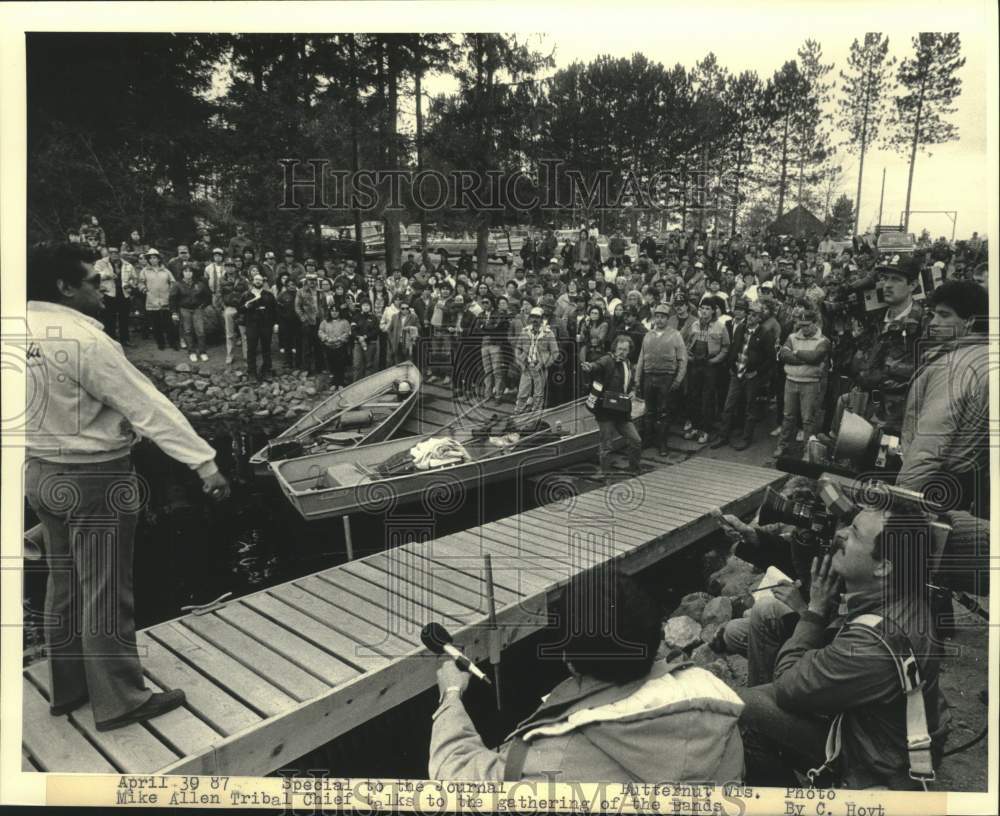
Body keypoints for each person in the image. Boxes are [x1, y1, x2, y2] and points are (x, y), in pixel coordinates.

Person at [25, 243, 230, 731]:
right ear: (65, 288)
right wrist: (204, 463)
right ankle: (120, 699)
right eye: (93, 282)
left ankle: (70, 688)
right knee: (105, 590)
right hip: (95, 475)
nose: (103, 289)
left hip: (41, 472)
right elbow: (147, 406)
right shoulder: (84, 341)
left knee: (64, 587)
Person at [429, 567, 744, 781]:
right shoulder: (713, 696)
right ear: (656, 635)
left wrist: (451, 697)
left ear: (569, 660)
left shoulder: (552, 754)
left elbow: (455, 775)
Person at [728, 510, 949, 790]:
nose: (840, 533)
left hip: (871, 760)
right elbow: (817, 559)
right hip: (872, 725)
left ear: (883, 567)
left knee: (742, 708)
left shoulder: (870, 645)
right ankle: (770, 734)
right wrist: (758, 540)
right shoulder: (900, 590)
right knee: (768, 614)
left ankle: (792, 798)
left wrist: (816, 611)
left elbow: (785, 685)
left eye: (854, 532)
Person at [899, 279, 990, 518]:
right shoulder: (983, 356)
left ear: (969, 321)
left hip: (940, 484)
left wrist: (899, 499)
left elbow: (930, 444)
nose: (934, 322)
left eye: (944, 315)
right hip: (968, 484)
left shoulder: (956, 365)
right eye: (933, 314)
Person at [712, 300, 775, 451]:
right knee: (728, 406)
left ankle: (746, 438)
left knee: (750, 408)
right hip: (736, 373)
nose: (750, 318)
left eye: (754, 315)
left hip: (751, 376)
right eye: (749, 314)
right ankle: (723, 436)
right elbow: (735, 348)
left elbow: (771, 359)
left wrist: (757, 372)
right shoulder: (740, 328)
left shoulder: (765, 334)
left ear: (760, 318)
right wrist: (731, 366)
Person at [774, 300, 830, 459]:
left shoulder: (823, 340)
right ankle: (782, 446)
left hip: (810, 384)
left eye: (807, 325)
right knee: (788, 416)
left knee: (808, 420)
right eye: (802, 325)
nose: (803, 328)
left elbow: (815, 357)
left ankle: (808, 451)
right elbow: (784, 355)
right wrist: (804, 358)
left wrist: (796, 352)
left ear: (815, 323)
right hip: (791, 381)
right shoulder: (792, 336)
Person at [583, 335, 643, 477]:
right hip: (605, 411)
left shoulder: (628, 364)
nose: (622, 352)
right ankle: (605, 474)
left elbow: (631, 383)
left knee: (636, 440)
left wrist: (633, 391)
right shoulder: (608, 360)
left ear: (629, 351)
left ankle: (634, 469)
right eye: (620, 349)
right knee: (607, 446)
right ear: (615, 348)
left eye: (625, 350)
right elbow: (597, 365)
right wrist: (589, 367)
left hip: (622, 412)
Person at [635, 304, 687, 456]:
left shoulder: (675, 335)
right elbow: (641, 359)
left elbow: (683, 359)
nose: (659, 320)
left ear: (668, 319)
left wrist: (678, 379)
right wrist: (637, 379)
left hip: (666, 378)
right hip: (649, 377)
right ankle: (648, 440)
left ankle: (662, 443)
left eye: (663, 317)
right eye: (657, 317)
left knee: (663, 411)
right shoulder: (648, 335)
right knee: (649, 410)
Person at [684, 299, 730, 445]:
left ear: (713, 311)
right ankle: (695, 427)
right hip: (695, 365)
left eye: (707, 308)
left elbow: (725, 347)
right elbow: (687, 343)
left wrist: (715, 360)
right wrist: (689, 356)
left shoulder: (720, 327)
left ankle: (706, 430)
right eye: (702, 308)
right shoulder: (695, 325)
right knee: (693, 396)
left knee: (707, 398)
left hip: (709, 366)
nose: (704, 311)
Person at [513, 306, 557, 414]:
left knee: (539, 393)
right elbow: (518, 348)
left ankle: (536, 413)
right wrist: (520, 362)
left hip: (540, 366)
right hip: (527, 365)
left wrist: (545, 364)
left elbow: (555, 352)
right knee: (523, 391)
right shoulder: (525, 332)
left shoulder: (548, 333)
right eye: (532, 317)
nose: (534, 320)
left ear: (542, 318)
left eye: (537, 317)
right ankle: (518, 411)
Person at [238, 272, 277, 381]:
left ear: (263, 282)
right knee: (251, 349)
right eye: (256, 280)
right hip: (252, 325)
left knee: (266, 348)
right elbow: (239, 309)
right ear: (252, 281)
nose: (258, 281)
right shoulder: (246, 295)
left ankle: (267, 371)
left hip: (266, 325)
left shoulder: (269, 295)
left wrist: (275, 324)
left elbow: (274, 310)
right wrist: (245, 306)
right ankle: (252, 372)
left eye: (260, 280)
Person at [169, 264, 211, 362]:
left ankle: (202, 352)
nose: (188, 273)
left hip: (197, 309)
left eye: (190, 271)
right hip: (184, 309)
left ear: (193, 273)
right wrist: (174, 312)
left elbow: (208, 296)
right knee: (187, 330)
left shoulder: (199, 284)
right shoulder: (177, 284)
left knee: (200, 331)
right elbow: (172, 300)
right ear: (182, 273)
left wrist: (202, 306)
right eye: (185, 271)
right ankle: (191, 352)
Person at [94, 245, 136, 344]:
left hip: (123, 294)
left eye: (116, 252)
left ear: (119, 253)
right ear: (108, 253)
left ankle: (125, 339)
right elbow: (95, 275)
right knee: (109, 319)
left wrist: (130, 285)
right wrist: (107, 275)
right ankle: (110, 340)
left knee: (124, 318)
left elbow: (134, 278)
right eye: (111, 252)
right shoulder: (101, 263)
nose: (114, 254)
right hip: (108, 294)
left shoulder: (127, 264)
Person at [137, 249, 177, 350]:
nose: (152, 260)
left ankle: (172, 343)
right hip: (152, 300)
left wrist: (171, 292)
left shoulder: (165, 271)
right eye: (150, 258)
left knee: (168, 323)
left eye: (154, 258)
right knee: (156, 324)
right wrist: (145, 290)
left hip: (165, 299)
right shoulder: (144, 271)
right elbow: (140, 283)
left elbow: (173, 282)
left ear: (159, 259)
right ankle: (161, 343)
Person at [295, 271, 323, 374]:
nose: (312, 282)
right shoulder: (301, 292)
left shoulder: (320, 291)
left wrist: (323, 318)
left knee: (318, 346)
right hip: (307, 321)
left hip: (319, 321)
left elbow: (323, 306)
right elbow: (297, 307)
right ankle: (306, 368)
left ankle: (319, 368)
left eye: (314, 280)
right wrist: (303, 318)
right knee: (306, 346)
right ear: (306, 281)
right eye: (310, 280)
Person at [318, 305, 352, 386]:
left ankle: (341, 382)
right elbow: (320, 331)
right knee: (331, 364)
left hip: (340, 346)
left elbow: (347, 333)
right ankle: (334, 382)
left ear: (339, 312)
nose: (334, 313)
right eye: (332, 311)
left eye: (336, 311)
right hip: (329, 346)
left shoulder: (344, 322)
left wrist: (339, 339)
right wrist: (326, 338)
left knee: (340, 364)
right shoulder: (325, 322)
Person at [350, 298, 380, 381]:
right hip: (358, 343)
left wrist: (366, 336)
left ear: (370, 307)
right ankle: (355, 385)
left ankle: (368, 384)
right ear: (361, 307)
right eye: (364, 305)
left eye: (367, 305)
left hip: (371, 344)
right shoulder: (356, 317)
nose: (366, 307)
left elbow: (376, 330)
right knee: (357, 365)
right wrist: (359, 337)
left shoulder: (374, 318)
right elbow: (353, 330)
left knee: (369, 365)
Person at [275, 276, 300, 368]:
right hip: (285, 322)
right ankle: (288, 362)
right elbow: (277, 310)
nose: (291, 286)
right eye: (289, 285)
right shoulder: (281, 295)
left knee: (298, 342)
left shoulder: (299, 294)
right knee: (287, 342)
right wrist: (279, 322)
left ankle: (298, 362)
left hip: (298, 322)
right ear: (286, 286)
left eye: (293, 285)